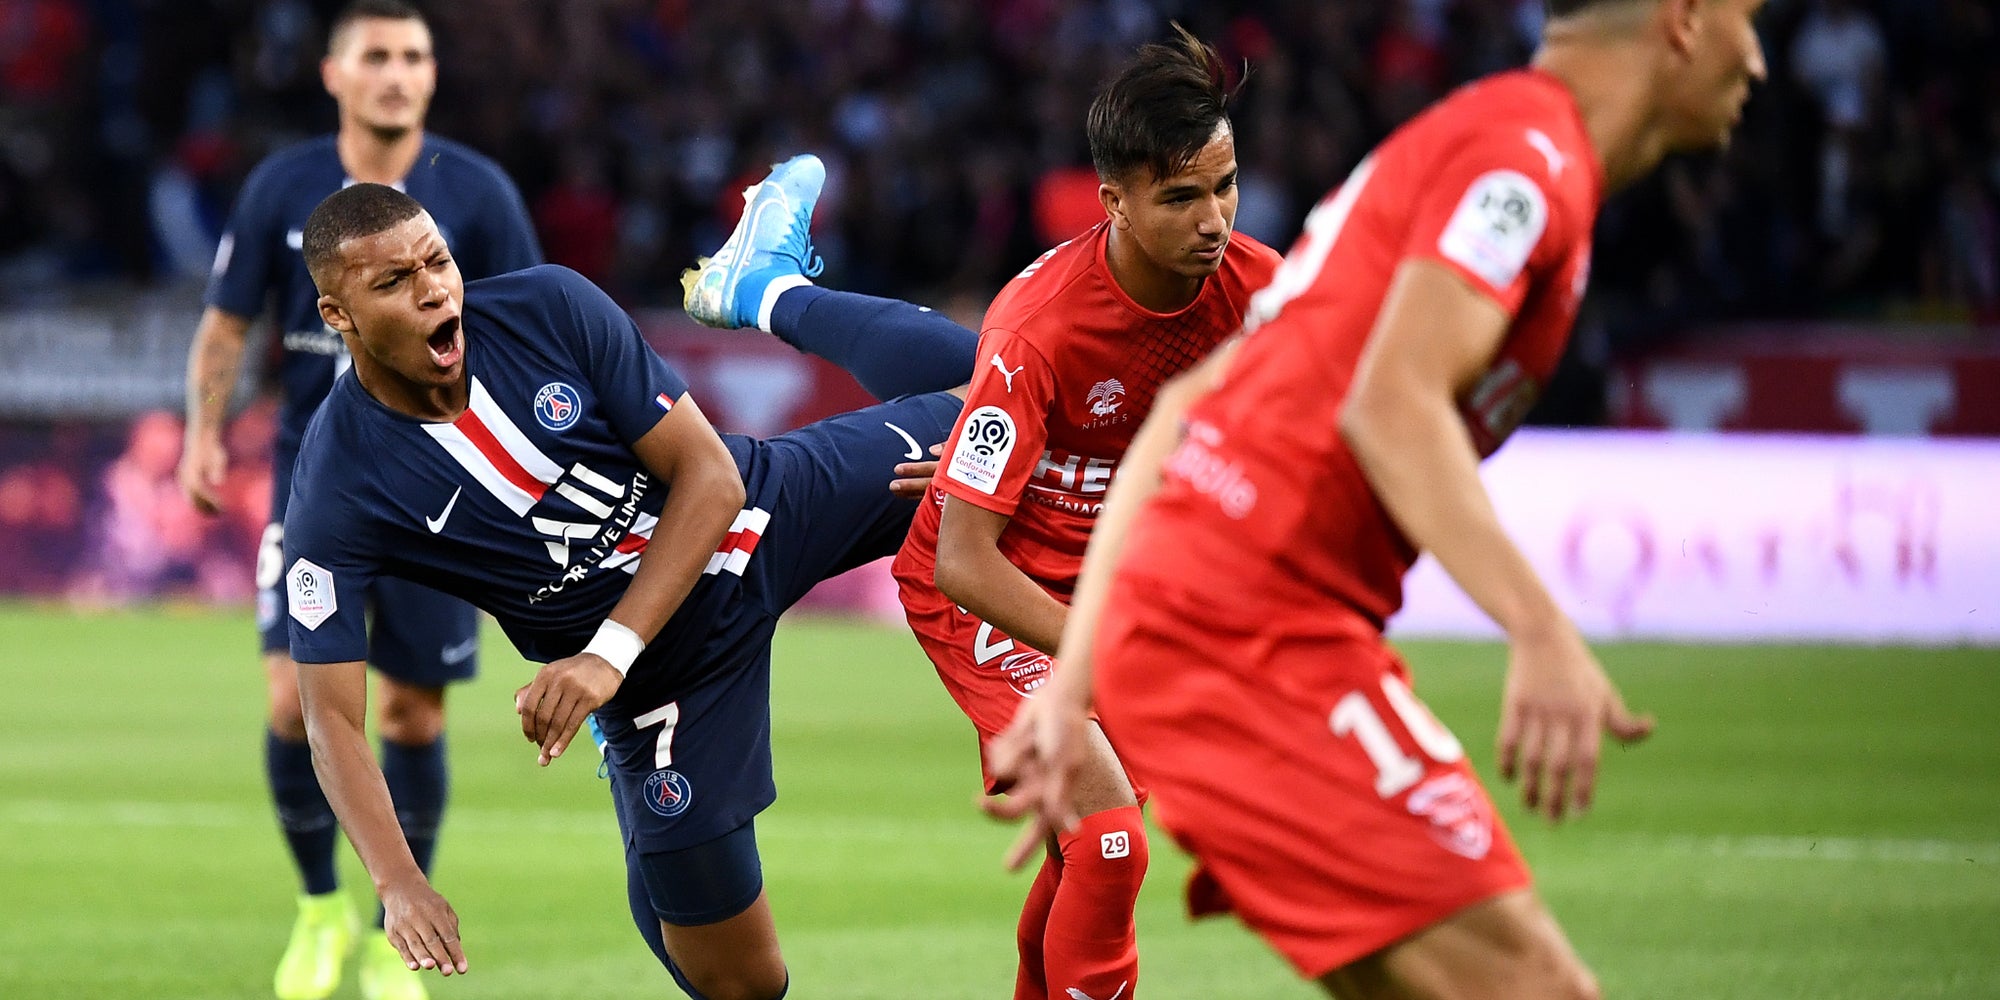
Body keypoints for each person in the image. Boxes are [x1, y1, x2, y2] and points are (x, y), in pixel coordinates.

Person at [988, 1, 1768, 997]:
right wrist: (1537, 629)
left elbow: (1188, 413)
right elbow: (1391, 406)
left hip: (1223, 628)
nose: (1756, 57)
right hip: (1250, 638)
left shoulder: (1477, 146)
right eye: (1749, 17)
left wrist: (1074, 687)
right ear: (1683, 19)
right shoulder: (1524, 162)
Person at [284, 156, 976, 1000]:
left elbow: (712, 480)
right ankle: (655, 832)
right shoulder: (337, 485)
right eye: (395, 280)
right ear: (337, 314)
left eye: (437, 260)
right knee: (740, 984)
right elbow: (332, 720)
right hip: (664, 683)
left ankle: (765, 288)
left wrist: (605, 652)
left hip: (759, 516)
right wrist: (397, 880)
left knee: (1009, 403)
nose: (435, 291)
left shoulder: (548, 306)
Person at [887, 26, 1281, 1000]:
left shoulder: (1263, 296)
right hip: (992, 593)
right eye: (1180, 196)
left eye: (1223, 186)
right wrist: (1117, 655)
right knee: (1108, 838)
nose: (1212, 220)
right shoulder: (1037, 326)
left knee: (1083, 857)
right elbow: (963, 562)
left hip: (1117, 590)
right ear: (1113, 199)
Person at [177, 3, 542, 999]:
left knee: (415, 717)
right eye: (375, 55)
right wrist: (206, 429)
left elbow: (524, 329)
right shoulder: (281, 186)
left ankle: (395, 930)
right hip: (316, 485)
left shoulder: (476, 193)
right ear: (334, 74)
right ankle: (317, 908)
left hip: (444, 494)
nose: (396, 73)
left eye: (414, 56)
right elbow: (225, 327)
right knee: (292, 705)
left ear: (432, 75)